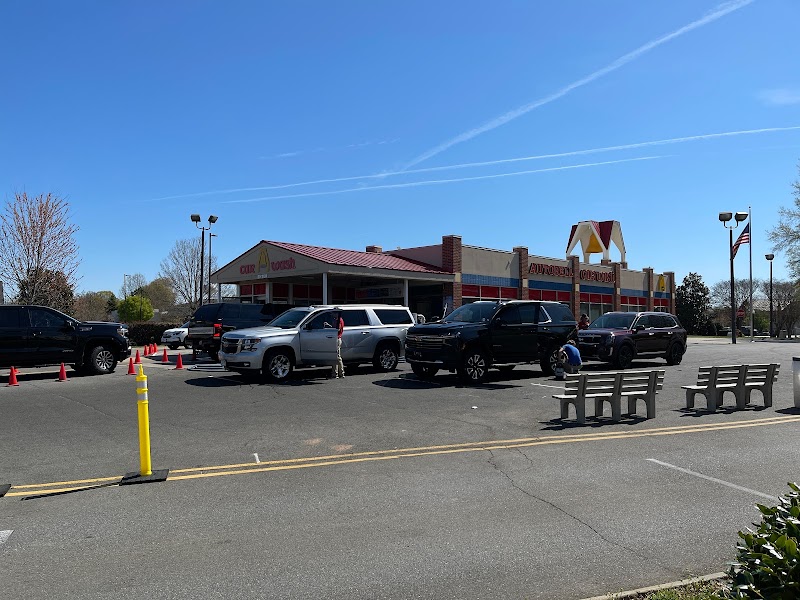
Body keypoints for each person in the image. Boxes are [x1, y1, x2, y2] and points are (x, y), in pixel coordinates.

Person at [331, 314, 345, 379]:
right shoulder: (338, 320)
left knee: (337, 357)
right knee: (337, 356)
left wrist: (331, 327)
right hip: (337, 339)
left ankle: (338, 373)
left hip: (337, 339)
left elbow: (338, 329)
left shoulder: (339, 320)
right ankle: (338, 373)